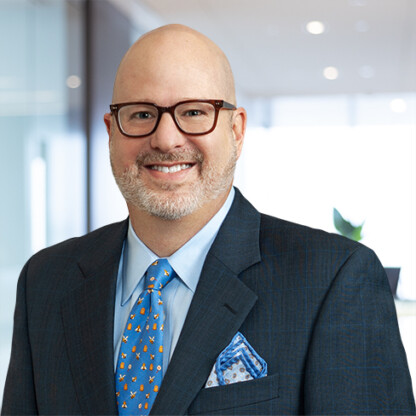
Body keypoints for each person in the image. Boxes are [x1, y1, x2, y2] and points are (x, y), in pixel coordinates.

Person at [2, 24, 415, 416]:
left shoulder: (334, 279)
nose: (165, 139)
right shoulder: (46, 281)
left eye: (196, 112)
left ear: (236, 130)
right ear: (112, 130)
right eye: (142, 114)